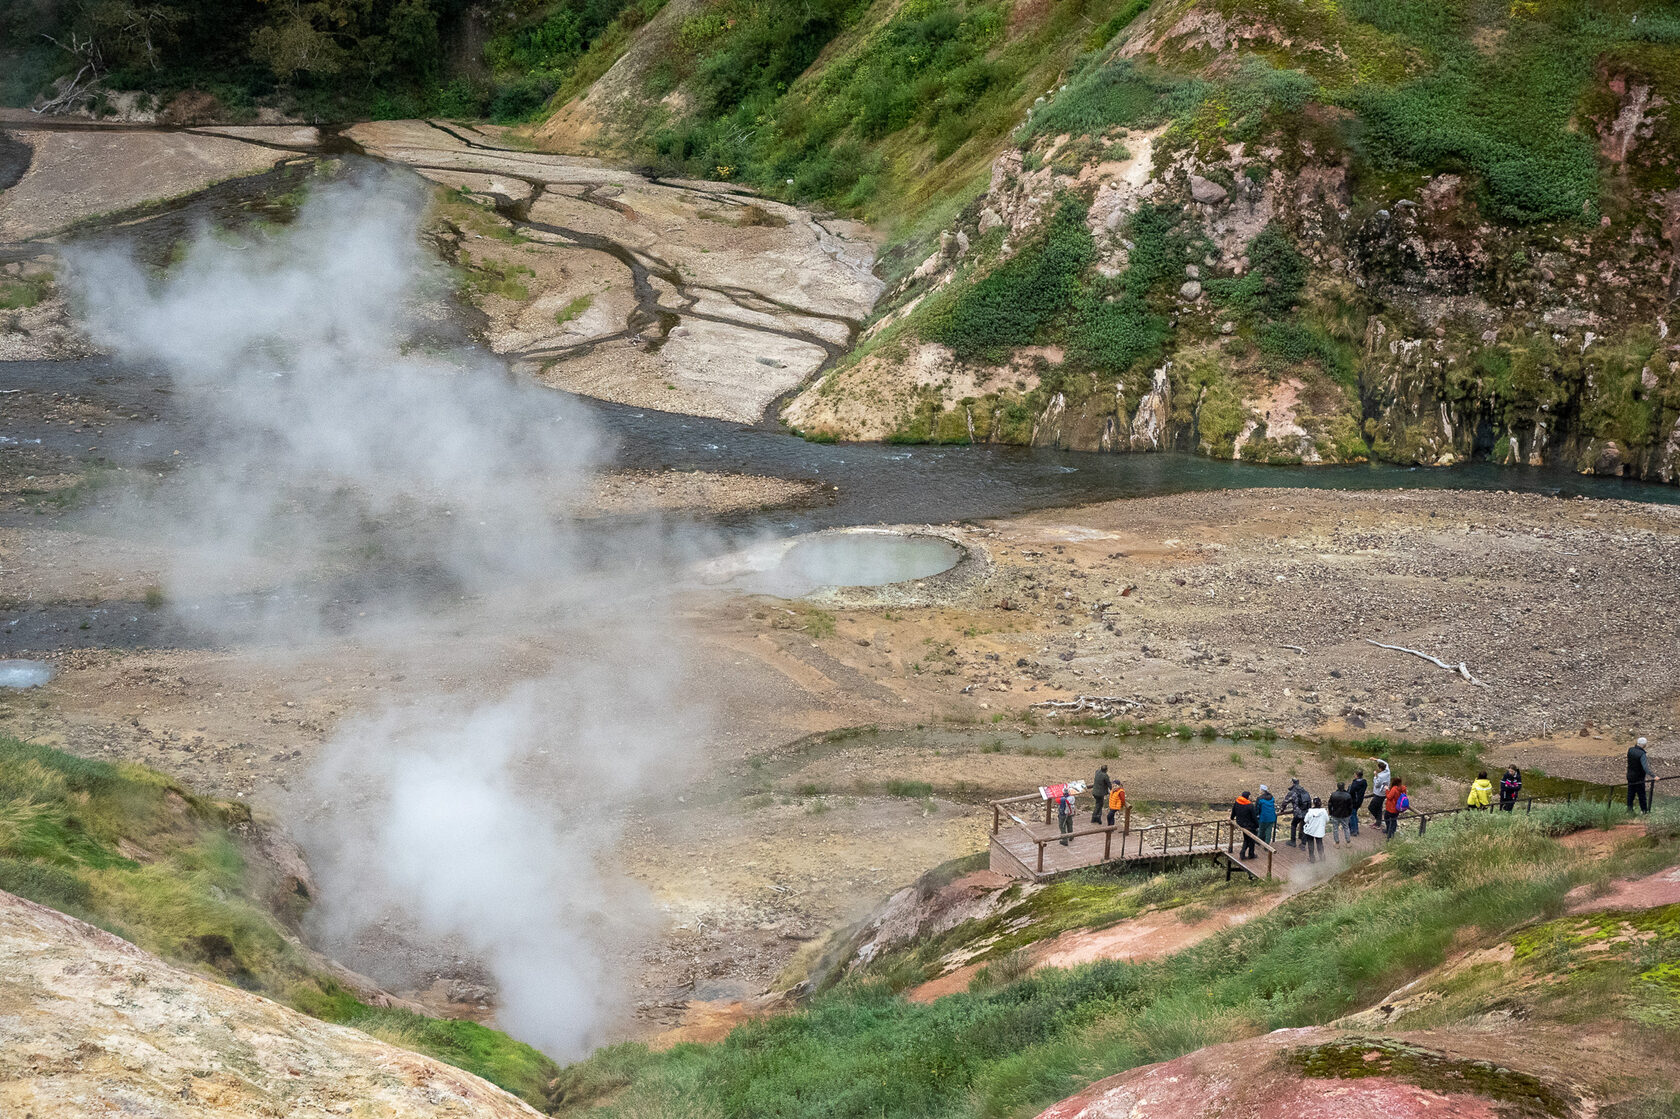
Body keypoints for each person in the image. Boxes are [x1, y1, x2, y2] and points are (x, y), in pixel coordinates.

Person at [1628, 738, 1655, 814]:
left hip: (1630, 776)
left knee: (1630, 794)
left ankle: (1629, 810)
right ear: (1644, 745)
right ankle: (1644, 811)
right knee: (1641, 795)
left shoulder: (1630, 750)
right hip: (1639, 778)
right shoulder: (1642, 754)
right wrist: (1654, 776)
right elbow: (1645, 768)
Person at [1231, 791, 1260, 859]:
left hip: (1240, 823)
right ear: (1247, 797)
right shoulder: (1250, 805)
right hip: (1249, 825)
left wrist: (1231, 818)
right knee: (1251, 839)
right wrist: (1257, 825)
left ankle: (1243, 853)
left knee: (1246, 839)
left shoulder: (1237, 802)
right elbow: (1254, 817)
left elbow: (1233, 811)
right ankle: (1250, 854)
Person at [1302, 797, 1329, 862]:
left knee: (1311, 845)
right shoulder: (1324, 811)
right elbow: (1327, 820)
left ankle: (1312, 859)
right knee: (1319, 844)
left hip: (1310, 830)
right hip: (1319, 831)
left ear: (1313, 804)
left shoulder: (1310, 812)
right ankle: (1322, 858)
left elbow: (1305, 820)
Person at [1285, 778, 1311, 847]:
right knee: (1305, 826)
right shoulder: (1304, 791)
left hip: (1298, 813)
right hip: (1306, 812)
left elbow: (1285, 801)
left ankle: (1293, 841)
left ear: (1293, 783)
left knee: (1293, 824)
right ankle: (1303, 843)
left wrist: (1282, 810)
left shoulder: (1292, 792)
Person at [1370, 761, 1392, 828]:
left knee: (1371, 807)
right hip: (1384, 792)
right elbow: (1386, 763)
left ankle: (1378, 820)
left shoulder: (1380, 776)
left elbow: (1377, 785)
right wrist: (1376, 759)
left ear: (1380, 768)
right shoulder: (1388, 772)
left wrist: (1375, 776)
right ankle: (1378, 824)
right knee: (1379, 808)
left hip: (1379, 794)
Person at [1347, 769, 1368, 837]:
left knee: (1352, 815)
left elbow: (1350, 792)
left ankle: (1354, 830)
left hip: (1353, 801)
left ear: (1356, 775)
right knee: (1354, 814)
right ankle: (1356, 829)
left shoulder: (1355, 784)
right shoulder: (1364, 782)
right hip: (1359, 800)